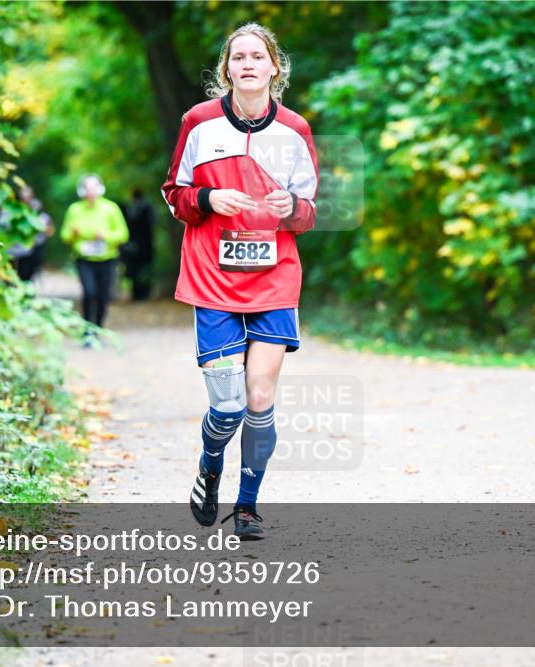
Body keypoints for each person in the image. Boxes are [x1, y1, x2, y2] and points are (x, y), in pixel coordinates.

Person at [161, 22, 318, 540]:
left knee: (259, 395)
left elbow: (309, 212)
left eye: (257, 56)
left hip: (274, 275)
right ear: (226, 69)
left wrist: (290, 207)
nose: (247, 64)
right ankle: (210, 466)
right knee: (227, 402)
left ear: (274, 67)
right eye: (238, 57)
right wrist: (207, 199)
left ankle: (247, 507)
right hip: (213, 275)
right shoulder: (199, 122)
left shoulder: (295, 129)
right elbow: (174, 193)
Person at [60, 174, 129, 338]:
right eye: (87, 188)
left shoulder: (111, 208)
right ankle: (87, 329)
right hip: (84, 259)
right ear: (81, 191)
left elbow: (123, 234)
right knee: (89, 293)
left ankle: (98, 327)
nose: (91, 192)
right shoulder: (74, 209)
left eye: (94, 188)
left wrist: (105, 235)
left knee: (103, 296)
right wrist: (72, 233)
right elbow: (64, 235)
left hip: (107, 259)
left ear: (100, 189)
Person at [121, 188, 156, 301]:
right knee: (143, 269)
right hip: (146, 245)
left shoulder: (131, 208)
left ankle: (138, 294)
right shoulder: (148, 208)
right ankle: (142, 294)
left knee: (135, 270)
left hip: (134, 245)